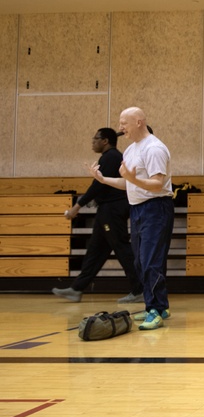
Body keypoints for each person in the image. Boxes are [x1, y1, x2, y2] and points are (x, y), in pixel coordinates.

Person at [89, 107, 174, 331]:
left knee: (149, 261)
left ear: (138, 122)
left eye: (123, 123)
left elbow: (157, 184)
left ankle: (154, 310)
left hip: (156, 209)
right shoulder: (130, 151)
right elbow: (128, 182)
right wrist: (104, 179)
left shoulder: (154, 148)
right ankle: (160, 305)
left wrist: (131, 179)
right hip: (137, 210)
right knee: (140, 262)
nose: (120, 128)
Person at [52, 128, 142, 303]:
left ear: (105, 141)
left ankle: (139, 290)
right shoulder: (110, 157)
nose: (93, 142)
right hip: (106, 210)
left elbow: (97, 186)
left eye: (96, 139)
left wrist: (76, 207)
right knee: (96, 251)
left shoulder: (111, 157)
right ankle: (77, 289)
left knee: (122, 248)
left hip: (113, 211)